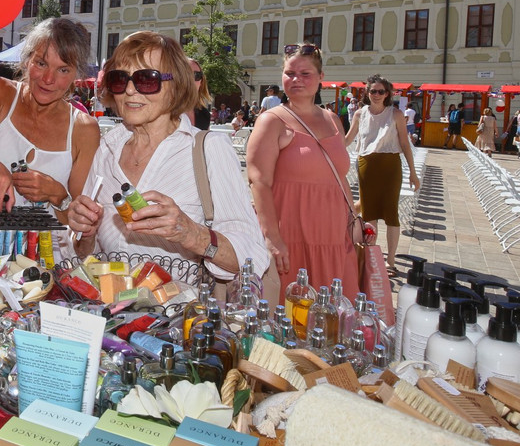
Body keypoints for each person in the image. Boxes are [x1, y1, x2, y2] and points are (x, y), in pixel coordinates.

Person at [66, 32, 267, 282]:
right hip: (111, 311)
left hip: (181, 315)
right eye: (119, 79)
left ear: (176, 86)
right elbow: (86, 256)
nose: (129, 90)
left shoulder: (208, 149)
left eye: (146, 79)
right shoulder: (107, 148)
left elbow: (252, 259)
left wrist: (191, 234)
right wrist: (86, 233)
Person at [0, 18, 100, 222]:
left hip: (42, 251)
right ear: (27, 60)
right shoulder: (0, 93)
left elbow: (81, 223)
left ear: (76, 73)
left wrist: (56, 195)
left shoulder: (84, 129)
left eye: (63, 69)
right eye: (41, 64)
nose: (48, 79)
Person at [247, 44, 360, 299]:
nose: (296, 79)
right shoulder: (272, 120)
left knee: (332, 310)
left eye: (305, 73)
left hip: (332, 232)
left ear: (321, 78)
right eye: (290, 73)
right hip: (291, 232)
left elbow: (339, 177)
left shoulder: (332, 119)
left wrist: (353, 219)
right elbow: (258, 181)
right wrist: (272, 239)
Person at [344, 75, 419, 272]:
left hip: (390, 165)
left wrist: (413, 172)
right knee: (370, 213)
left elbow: (405, 143)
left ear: (388, 94)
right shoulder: (360, 114)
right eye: (373, 91)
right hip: (366, 164)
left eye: (381, 91)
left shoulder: (395, 114)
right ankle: (372, 256)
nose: (377, 95)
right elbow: (348, 139)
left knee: (391, 213)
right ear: (367, 93)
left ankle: (391, 261)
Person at [188, 58, 213, 130]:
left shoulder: (204, 114)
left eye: (196, 75)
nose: (191, 80)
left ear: (201, 82)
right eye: (186, 74)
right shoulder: (162, 112)